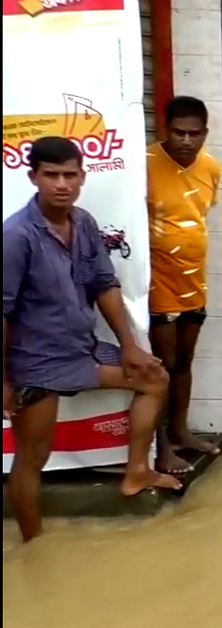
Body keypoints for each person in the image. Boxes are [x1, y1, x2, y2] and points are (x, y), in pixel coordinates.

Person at [3, 137, 181, 542]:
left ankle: (136, 471)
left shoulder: (83, 223)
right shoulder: (15, 236)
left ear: (83, 176)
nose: (61, 183)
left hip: (82, 349)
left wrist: (131, 345)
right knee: (32, 459)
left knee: (155, 378)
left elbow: (104, 286)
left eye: (70, 174)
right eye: (51, 175)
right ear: (34, 177)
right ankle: (34, 548)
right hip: (35, 363)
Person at [146, 95, 222, 474]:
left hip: (194, 279)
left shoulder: (211, 167)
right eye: (179, 132)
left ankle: (180, 432)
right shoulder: (143, 164)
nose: (186, 141)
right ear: (166, 129)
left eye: (195, 134)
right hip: (157, 281)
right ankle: (160, 449)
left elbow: (198, 217)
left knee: (185, 362)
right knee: (163, 365)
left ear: (205, 133)